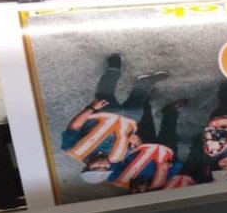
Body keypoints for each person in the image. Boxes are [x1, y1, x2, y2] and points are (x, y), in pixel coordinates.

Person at [60, 53, 169, 184]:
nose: (103, 165)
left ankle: (113, 68)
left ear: (86, 167)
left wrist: (91, 108)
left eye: (96, 168)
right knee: (137, 100)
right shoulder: (117, 157)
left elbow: (74, 126)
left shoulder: (73, 150)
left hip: (105, 114)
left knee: (105, 92)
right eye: (105, 168)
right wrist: (138, 142)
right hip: (130, 119)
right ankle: (143, 82)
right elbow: (135, 145)